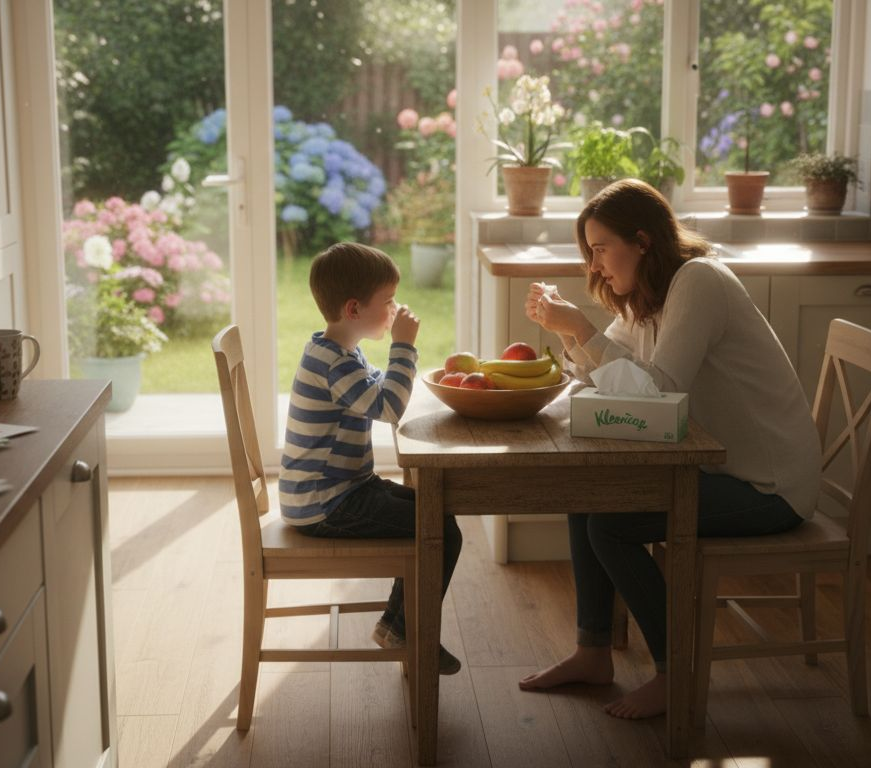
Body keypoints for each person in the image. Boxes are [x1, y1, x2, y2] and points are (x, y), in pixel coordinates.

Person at [517, 179, 821, 718]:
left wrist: (582, 329)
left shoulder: (699, 282)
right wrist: (570, 335)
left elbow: (658, 391)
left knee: (610, 525)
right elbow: (617, 381)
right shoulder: (650, 297)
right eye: (589, 251)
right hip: (719, 468)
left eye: (602, 248)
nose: (595, 264)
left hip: (768, 486)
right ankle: (593, 652)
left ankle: (675, 673)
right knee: (585, 489)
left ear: (642, 240)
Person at [279, 241, 464, 674]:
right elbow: (388, 408)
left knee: (438, 513)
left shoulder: (338, 351)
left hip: (342, 491)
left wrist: (403, 363)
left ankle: (397, 625)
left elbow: (378, 388)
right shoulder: (333, 364)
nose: (396, 309)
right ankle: (406, 629)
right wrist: (403, 348)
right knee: (440, 528)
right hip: (326, 504)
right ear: (353, 309)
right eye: (388, 301)